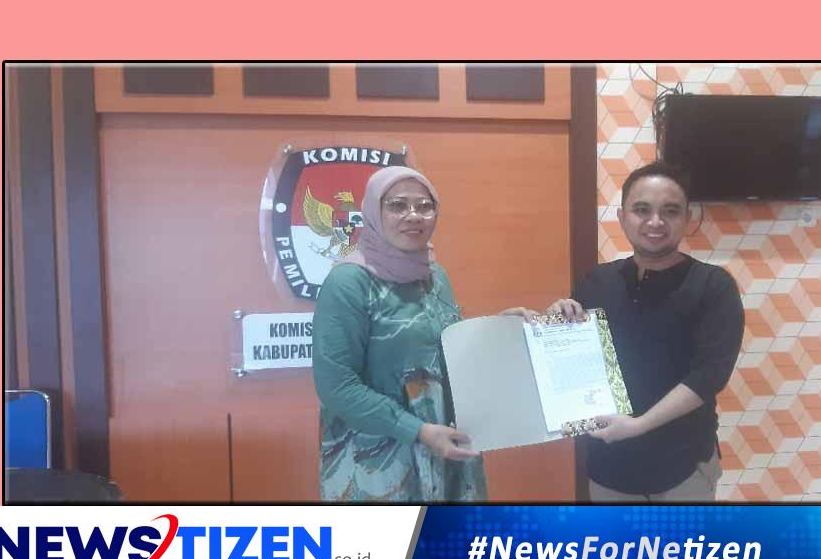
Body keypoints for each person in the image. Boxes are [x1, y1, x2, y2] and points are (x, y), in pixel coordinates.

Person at [312, 165, 525, 501]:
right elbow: (337, 387)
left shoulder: (435, 275)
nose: (413, 216)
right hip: (378, 461)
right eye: (397, 205)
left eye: (425, 206)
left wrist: (501, 329)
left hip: (445, 448)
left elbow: (447, 351)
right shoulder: (349, 283)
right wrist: (418, 430)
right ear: (373, 212)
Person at [547, 161, 744, 502]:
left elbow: (710, 375)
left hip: (683, 466)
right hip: (609, 465)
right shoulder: (597, 281)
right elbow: (576, 358)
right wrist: (554, 322)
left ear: (687, 219)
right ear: (622, 217)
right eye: (642, 210)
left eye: (670, 211)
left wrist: (638, 425)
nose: (655, 222)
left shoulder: (713, 285)